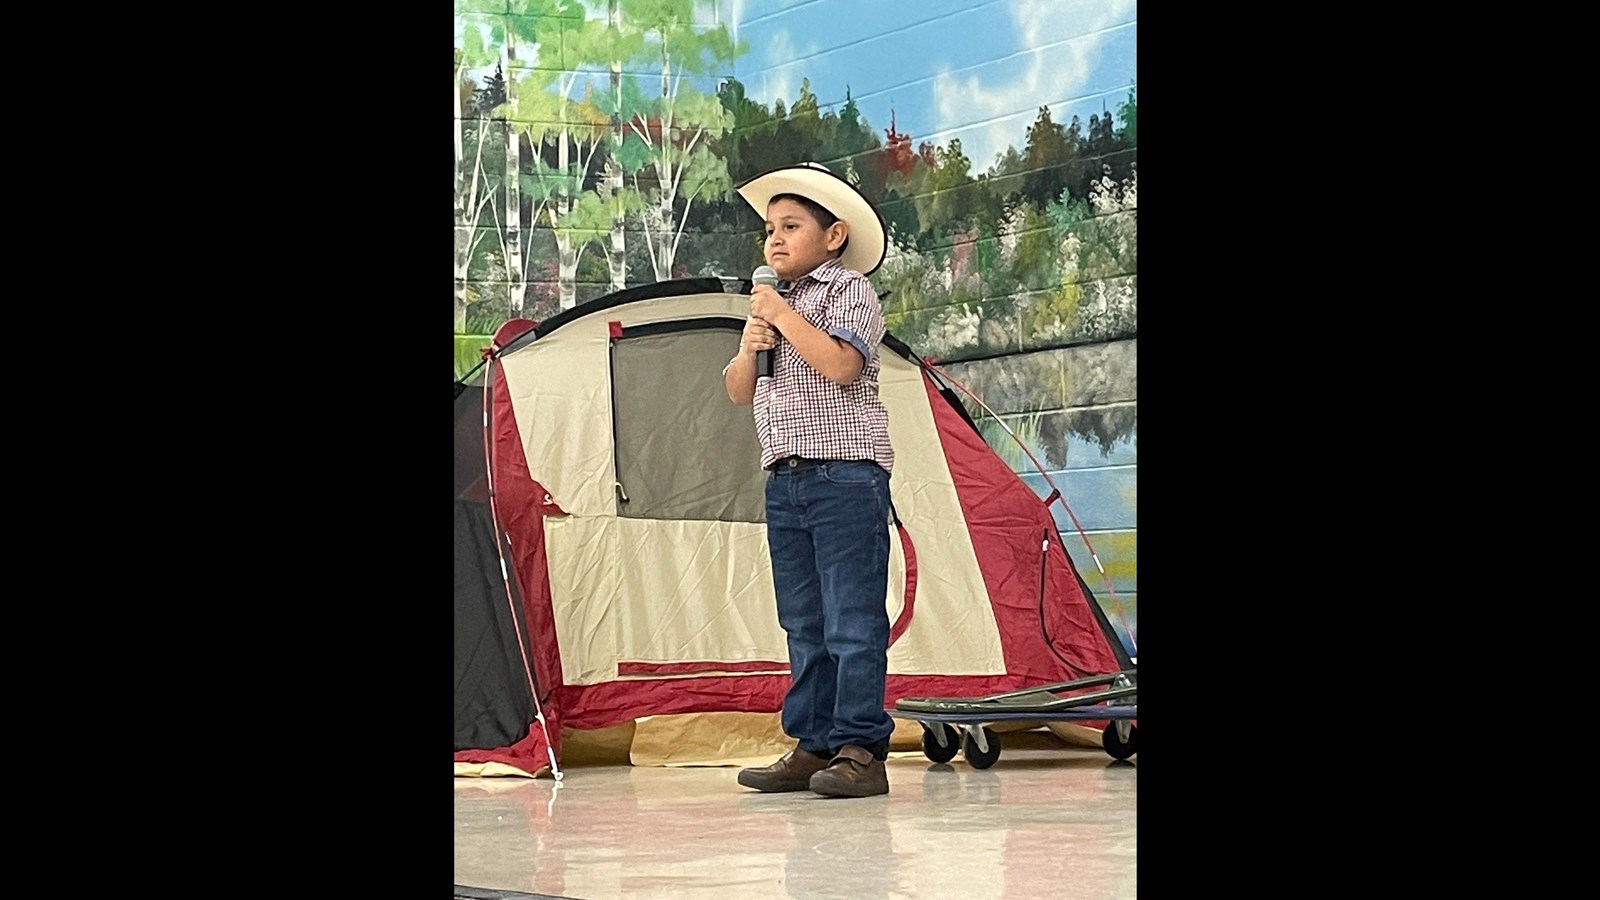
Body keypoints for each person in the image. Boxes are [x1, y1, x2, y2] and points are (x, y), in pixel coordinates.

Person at [723, 162, 896, 798]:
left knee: (852, 617)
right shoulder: (772, 310)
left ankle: (860, 748)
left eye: (791, 226)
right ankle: (813, 742)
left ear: (834, 235)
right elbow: (741, 393)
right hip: (786, 480)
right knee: (803, 620)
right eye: (769, 229)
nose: (774, 240)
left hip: (846, 477)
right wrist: (750, 343)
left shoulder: (847, 291)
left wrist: (781, 316)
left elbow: (844, 366)